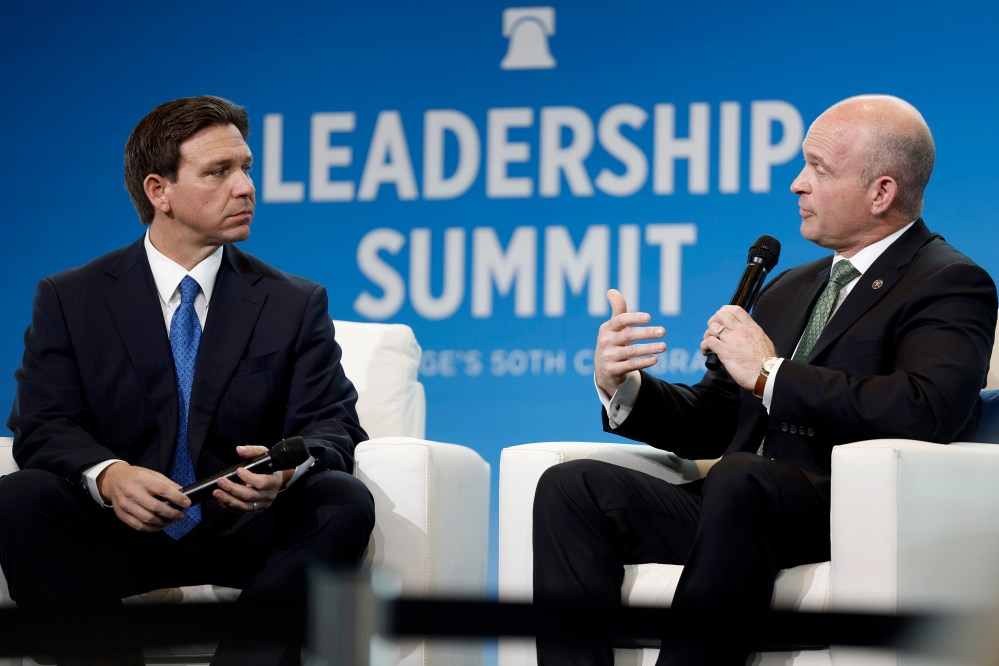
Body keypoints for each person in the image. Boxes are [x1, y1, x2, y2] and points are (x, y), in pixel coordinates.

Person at [532, 94, 998, 665]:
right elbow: (716, 420)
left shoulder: (949, 281)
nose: (797, 184)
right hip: (738, 501)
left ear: (881, 192)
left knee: (741, 477)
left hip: (840, 508)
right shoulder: (790, 286)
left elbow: (928, 408)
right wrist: (623, 387)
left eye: (818, 169)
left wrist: (771, 374)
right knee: (572, 488)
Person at [0, 96, 375, 666]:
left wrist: (286, 468)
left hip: (246, 531)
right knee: (22, 498)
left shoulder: (293, 303)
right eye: (219, 172)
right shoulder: (71, 298)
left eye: (246, 168)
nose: (246, 187)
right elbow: (41, 423)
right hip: (118, 530)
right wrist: (110, 476)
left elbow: (334, 423)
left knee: (340, 498)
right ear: (160, 191)